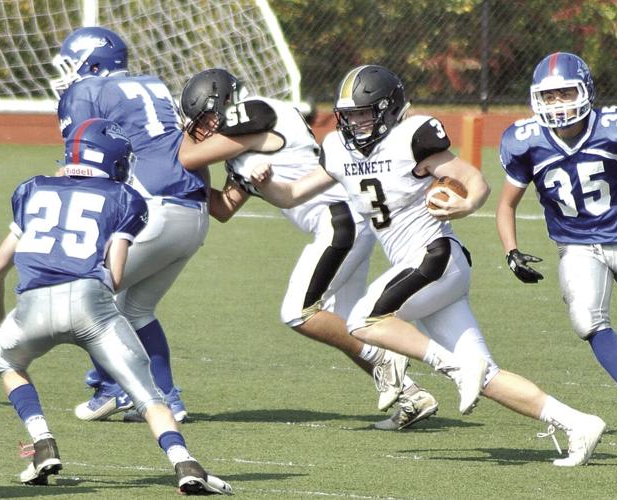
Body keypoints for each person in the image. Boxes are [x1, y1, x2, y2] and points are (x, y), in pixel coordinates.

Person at [248, 64, 606, 466]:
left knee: (362, 320)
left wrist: (465, 203)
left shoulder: (412, 137)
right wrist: (265, 184)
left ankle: (452, 368)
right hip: (425, 272)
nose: (358, 122)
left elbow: (474, 180)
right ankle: (577, 423)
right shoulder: (336, 149)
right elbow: (293, 193)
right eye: (351, 115)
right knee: (485, 376)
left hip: (435, 257)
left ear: (388, 110)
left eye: (366, 113)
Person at [0, 119, 232, 494]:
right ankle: (184, 463)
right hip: (90, 305)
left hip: (32, 307)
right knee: (147, 393)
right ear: (117, 161)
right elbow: (115, 276)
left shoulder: (32, 190)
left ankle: (43, 441)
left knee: (7, 362)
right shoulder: (124, 197)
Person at [177, 68, 438, 430]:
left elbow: (187, 156)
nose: (201, 130)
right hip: (343, 223)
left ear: (224, 104)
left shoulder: (256, 112)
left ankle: (390, 360)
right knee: (352, 326)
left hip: (339, 220)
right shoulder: (239, 145)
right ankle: (412, 394)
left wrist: (161, 139)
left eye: (205, 119)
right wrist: (198, 173)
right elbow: (223, 208)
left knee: (298, 312)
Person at [50, 27, 270, 423]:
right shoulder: (151, 84)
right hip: (192, 212)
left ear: (93, 63)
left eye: (72, 63)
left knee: (83, 297)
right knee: (134, 309)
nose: (68, 74)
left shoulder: (85, 92)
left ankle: (114, 388)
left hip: (149, 207)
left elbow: (85, 160)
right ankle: (166, 399)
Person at [496, 52, 617, 432]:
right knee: (587, 319)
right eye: (549, 96)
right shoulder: (525, 142)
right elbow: (506, 204)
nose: (558, 104)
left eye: (565, 93)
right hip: (576, 245)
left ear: (585, 91)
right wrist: (511, 251)